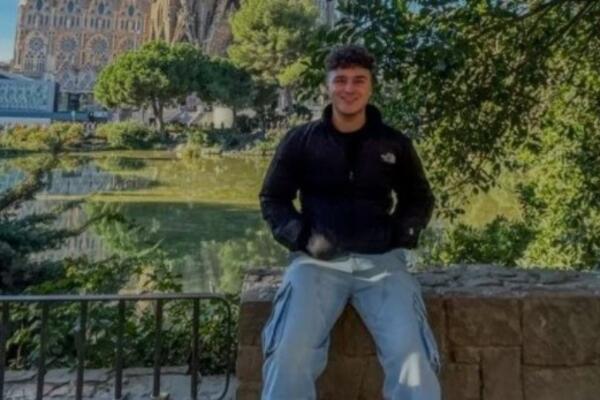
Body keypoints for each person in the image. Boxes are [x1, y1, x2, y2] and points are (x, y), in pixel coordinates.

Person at [259, 44, 441, 400]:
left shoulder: (394, 143)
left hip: (383, 265)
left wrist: (400, 233)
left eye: (359, 80)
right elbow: (273, 198)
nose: (349, 88)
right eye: (340, 80)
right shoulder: (300, 141)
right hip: (314, 266)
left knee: (413, 359)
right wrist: (302, 237)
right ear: (327, 85)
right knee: (288, 355)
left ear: (371, 87)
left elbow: (419, 197)